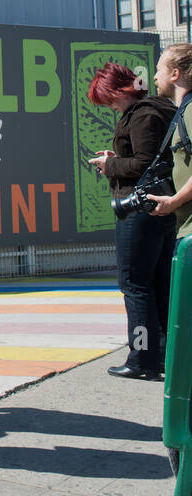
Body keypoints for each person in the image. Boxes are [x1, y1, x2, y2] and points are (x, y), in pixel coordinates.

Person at [87, 61, 176, 380]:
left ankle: (141, 358)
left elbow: (143, 163)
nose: (110, 106)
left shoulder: (142, 114)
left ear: (120, 89)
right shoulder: (161, 108)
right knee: (159, 283)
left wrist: (109, 166)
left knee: (134, 283)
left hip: (140, 210)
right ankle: (163, 356)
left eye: (109, 99)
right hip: (162, 208)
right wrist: (116, 160)